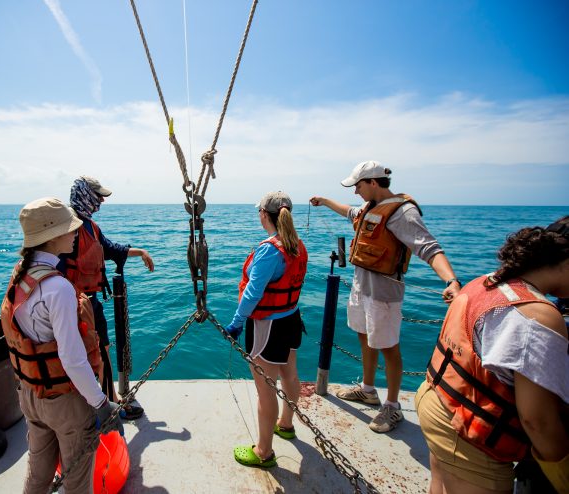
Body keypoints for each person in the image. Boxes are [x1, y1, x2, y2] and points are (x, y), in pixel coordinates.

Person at [416, 216, 569, 494]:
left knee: (439, 486)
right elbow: (537, 420)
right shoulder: (538, 315)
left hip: (435, 403)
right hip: (467, 433)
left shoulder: (486, 281)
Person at [310, 160, 461, 433]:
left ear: (373, 182)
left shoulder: (403, 213)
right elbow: (348, 212)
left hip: (384, 294)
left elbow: (428, 247)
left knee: (389, 347)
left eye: (357, 185)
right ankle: (368, 390)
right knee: (363, 335)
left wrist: (451, 280)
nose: (355, 192)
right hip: (361, 287)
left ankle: (392, 405)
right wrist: (324, 201)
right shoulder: (370, 207)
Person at [0, 197, 123, 493]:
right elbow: (72, 359)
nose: (74, 234)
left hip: (31, 396)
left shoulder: (21, 274)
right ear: (52, 236)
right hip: (65, 402)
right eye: (70, 230)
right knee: (77, 482)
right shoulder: (58, 288)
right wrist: (101, 403)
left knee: (38, 476)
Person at [58, 176, 154, 419]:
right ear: (85, 195)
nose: (101, 201)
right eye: (97, 196)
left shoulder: (91, 227)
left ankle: (105, 401)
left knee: (101, 352)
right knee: (93, 354)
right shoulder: (67, 228)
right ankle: (109, 406)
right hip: (71, 305)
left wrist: (141, 251)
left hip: (91, 303)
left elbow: (112, 250)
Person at [224, 191, 308, 468]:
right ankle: (285, 424)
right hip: (292, 319)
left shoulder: (269, 250)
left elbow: (252, 294)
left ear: (264, 214)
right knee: (290, 374)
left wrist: (237, 322)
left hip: (268, 326)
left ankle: (263, 452)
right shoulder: (297, 244)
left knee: (265, 389)